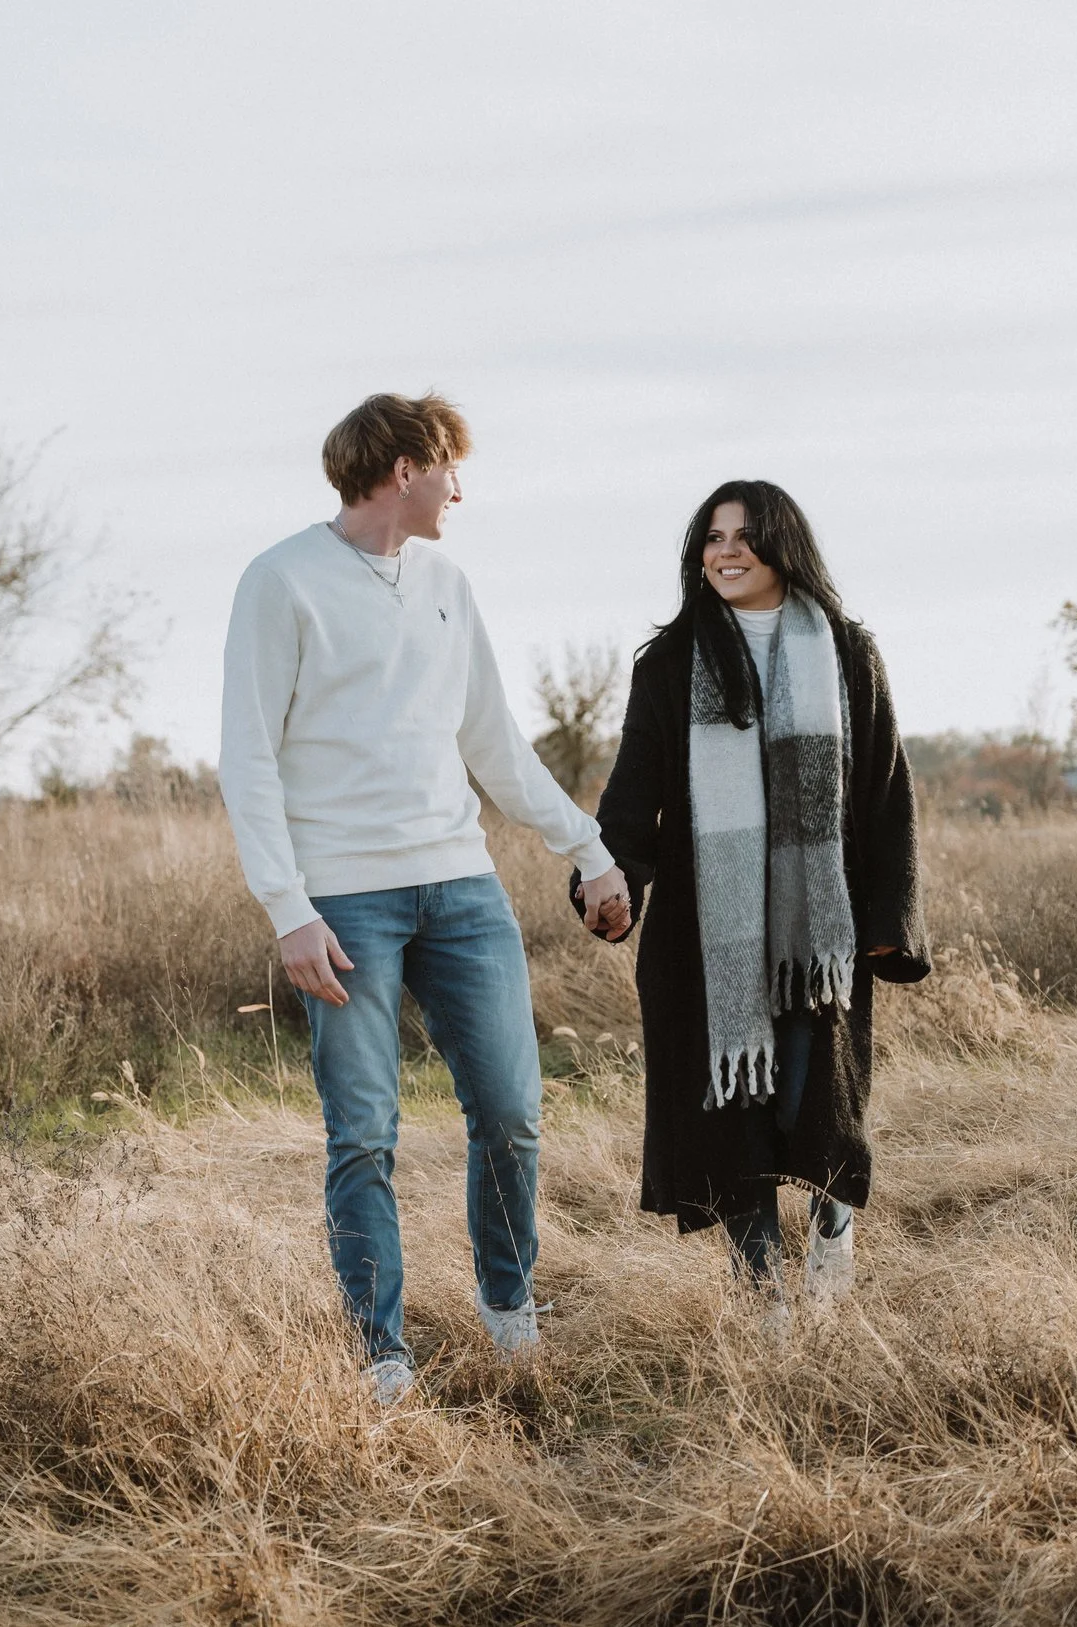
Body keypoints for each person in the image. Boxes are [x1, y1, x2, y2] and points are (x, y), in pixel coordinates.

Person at [219, 393, 632, 1407]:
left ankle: (508, 1312)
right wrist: (287, 908)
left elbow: (493, 741)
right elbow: (247, 759)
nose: (462, 489)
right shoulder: (280, 582)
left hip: (462, 889)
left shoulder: (448, 582)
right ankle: (382, 1355)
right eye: (452, 467)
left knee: (512, 1113)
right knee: (363, 1131)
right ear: (405, 468)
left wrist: (588, 847)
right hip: (345, 905)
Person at [580, 480, 926, 1305]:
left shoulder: (845, 652)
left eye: (745, 535)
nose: (726, 551)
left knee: (815, 1101)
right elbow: (634, 797)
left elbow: (885, 795)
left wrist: (890, 922)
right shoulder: (670, 664)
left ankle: (833, 1221)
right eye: (712, 537)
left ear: (784, 546)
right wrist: (608, 879)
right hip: (709, 938)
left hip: (816, 938)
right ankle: (761, 1291)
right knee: (737, 1112)